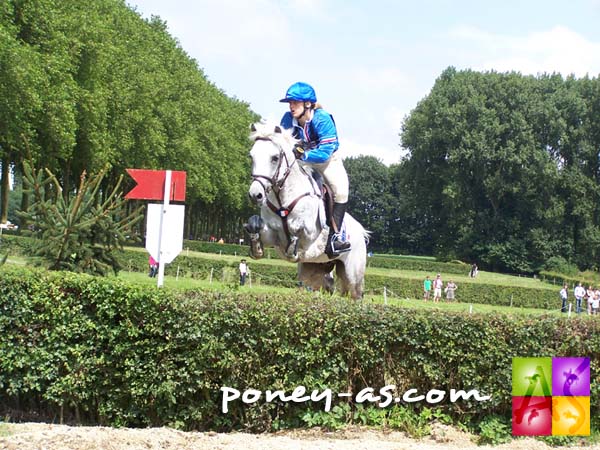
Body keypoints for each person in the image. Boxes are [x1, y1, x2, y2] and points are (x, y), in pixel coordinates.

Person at [279, 81, 350, 257]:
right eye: (290, 102)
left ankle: (335, 237)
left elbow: (325, 151)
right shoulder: (288, 119)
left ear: (308, 104)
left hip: (326, 161)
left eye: (295, 102)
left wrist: (303, 155)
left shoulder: (322, 118)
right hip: (301, 161)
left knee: (341, 191)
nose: (291, 106)